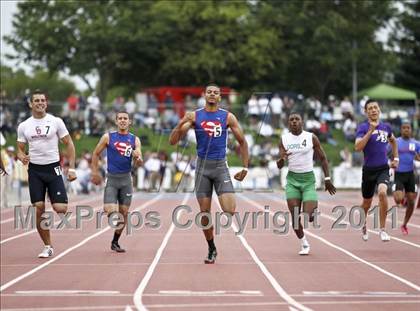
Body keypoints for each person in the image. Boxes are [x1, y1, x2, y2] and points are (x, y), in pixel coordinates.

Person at [169, 83, 249, 264]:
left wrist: (245, 167)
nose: (212, 95)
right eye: (209, 92)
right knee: (204, 213)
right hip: (202, 169)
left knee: (229, 210)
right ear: (204, 95)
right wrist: (181, 122)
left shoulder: (227, 117)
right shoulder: (195, 116)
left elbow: (243, 142)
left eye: (216, 93)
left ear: (220, 97)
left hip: (220, 167)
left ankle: (213, 240)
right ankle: (211, 247)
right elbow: (173, 141)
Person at [17, 90, 77, 258]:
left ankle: (55, 196)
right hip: (35, 170)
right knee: (38, 208)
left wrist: (71, 168)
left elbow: (69, 144)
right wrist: (22, 156)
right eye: (36, 100)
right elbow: (20, 150)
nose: (40, 103)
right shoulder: (24, 126)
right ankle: (48, 246)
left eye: (43, 100)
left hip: (53, 169)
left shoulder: (56, 121)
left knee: (60, 208)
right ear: (31, 104)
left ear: (46, 102)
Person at [277, 112, 336, 255]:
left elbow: (323, 158)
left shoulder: (311, 137)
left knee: (307, 215)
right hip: (292, 180)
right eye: (291, 119)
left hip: (308, 180)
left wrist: (327, 179)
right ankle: (304, 243)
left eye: (297, 119)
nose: (294, 122)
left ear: (302, 122)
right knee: (295, 217)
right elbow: (279, 165)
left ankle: (312, 211)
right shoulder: (284, 139)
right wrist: (281, 160)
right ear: (288, 123)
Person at [91, 111, 143, 252]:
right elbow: (95, 153)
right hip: (112, 179)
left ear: (130, 121)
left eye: (125, 118)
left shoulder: (135, 140)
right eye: (120, 118)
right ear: (116, 121)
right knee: (111, 212)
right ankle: (109, 208)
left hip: (126, 180)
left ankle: (115, 241)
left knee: (124, 214)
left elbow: (139, 161)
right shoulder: (108, 137)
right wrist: (94, 172)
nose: (122, 121)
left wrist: (138, 158)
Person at [355, 99, 399, 242]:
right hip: (368, 170)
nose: (373, 110)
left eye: (375, 107)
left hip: (383, 168)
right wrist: (370, 131)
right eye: (370, 108)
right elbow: (358, 147)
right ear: (366, 112)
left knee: (382, 192)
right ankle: (363, 223)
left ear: (379, 110)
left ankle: (382, 229)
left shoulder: (386, 127)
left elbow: (393, 141)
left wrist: (396, 158)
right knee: (366, 203)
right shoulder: (362, 127)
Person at [391, 122, 420, 235]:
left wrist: (418, 158)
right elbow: (387, 153)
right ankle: (401, 196)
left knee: (412, 202)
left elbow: (419, 158)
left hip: (410, 174)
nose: (406, 130)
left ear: (411, 130)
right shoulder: (396, 142)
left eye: (408, 128)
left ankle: (404, 224)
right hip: (399, 174)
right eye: (404, 128)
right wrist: (391, 162)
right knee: (398, 199)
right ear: (401, 129)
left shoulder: (416, 143)